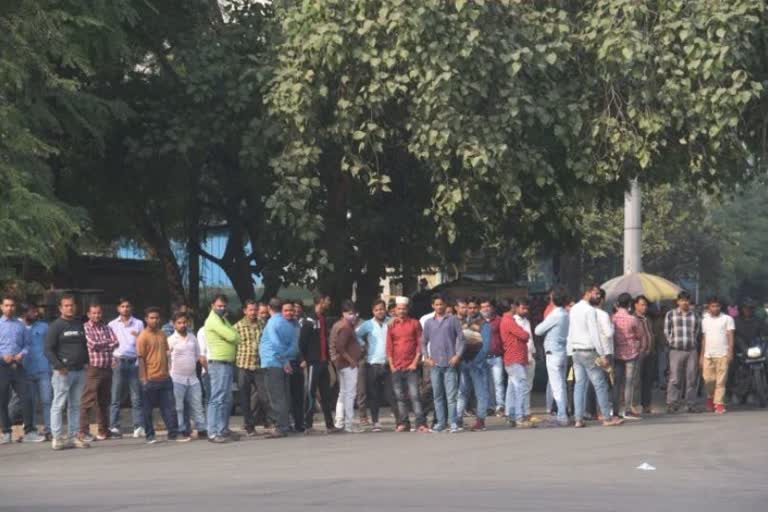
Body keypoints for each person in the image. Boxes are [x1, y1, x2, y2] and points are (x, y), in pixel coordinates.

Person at [567, 285, 623, 428]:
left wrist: (570, 351)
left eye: (598, 294)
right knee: (600, 384)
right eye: (596, 293)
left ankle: (578, 419)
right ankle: (606, 417)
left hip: (576, 351)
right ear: (587, 293)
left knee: (579, 384)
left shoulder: (574, 309)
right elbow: (594, 334)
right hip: (589, 350)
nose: (598, 296)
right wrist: (602, 354)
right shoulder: (590, 310)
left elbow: (571, 332)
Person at [45, 294, 91, 449]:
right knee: (58, 405)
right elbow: (48, 350)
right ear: (60, 308)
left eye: (72, 305)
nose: (70, 308)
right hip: (63, 372)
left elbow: (84, 345)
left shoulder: (79, 324)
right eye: (66, 305)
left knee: (76, 405)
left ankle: (74, 436)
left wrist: (86, 362)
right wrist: (59, 366)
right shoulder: (55, 326)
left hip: (79, 371)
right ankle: (57, 438)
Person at [136, 307, 189, 444]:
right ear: (146, 319)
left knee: (170, 409)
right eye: (152, 318)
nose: (155, 320)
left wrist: (168, 371)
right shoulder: (143, 336)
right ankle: (150, 435)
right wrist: (143, 378)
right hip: (150, 378)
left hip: (165, 377)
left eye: (157, 318)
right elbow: (141, 358)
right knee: (148, 410)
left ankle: (173, 434)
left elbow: (166, 353)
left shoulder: (161, 334)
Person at [423, 294, 464, 433]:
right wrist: (426, 357)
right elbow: (423, 342)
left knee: (451, 396)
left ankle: (453, 423)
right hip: (435, 365)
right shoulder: (429, 322)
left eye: (441, 304)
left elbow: (461, 339)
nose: (439, 307)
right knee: (438, 396)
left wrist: (457, 355)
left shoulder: (452, 320)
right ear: (432, 306)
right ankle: (440, 423)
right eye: (437, 304)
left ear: (446, 305)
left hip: (450, 364)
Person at [387, 297, 428, 433]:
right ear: (395, 310)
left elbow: (420, 344)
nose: (401, 311)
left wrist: (415, 362)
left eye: (404, 308)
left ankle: (420, 423)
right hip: (396, 366)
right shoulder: (391, 325)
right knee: (399, 397)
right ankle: (404, 423)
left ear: (407, 309)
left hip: (411, 366)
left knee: (415, 395)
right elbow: (389, 346)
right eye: (399, 308)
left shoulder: (415, 323)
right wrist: (392, 365)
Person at [203, 294, 241, 443]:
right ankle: (212, 432)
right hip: (218, 363)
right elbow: (233, 337)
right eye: (219, 306)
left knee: (226, 399)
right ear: (212, 305)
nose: (222, 308)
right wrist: (233, 336)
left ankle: (222, 429)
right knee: (217, 398)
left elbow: (235, 336)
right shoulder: (213, 320)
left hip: (226, 362)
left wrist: (234, 336)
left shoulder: (223, 319)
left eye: (224, 306)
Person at [79, 303, 119, 442]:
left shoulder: (107, 327)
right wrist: (107, 344)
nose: (96, 315)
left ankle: (104, 431)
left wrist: (104, 344)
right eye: (94, 313)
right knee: (88, 400)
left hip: (107, 367)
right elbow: (92, 344)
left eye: (99, 313)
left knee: (104, 401)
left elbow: (116, 342)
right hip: (93, 368)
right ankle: (83, 431)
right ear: (89, 314)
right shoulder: (85, 328)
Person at [356, 299, 396, 432]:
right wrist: (363, 345)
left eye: (382, 309)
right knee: (374, 395)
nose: (380, 311)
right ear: (373, 311)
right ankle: (375, 422)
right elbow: (356, 335)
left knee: (391, 393)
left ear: (385, 309)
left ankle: (399, 420)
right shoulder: (367, 324)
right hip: (372, 363)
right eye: (377, 309)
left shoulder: (391, 321)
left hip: (388, 362)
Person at [299, 295, 337, 434]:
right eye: (327, 300)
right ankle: (308, 425)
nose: (329, 303)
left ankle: (330, 425)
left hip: (323, 362)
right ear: (321, 301)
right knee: (310, 393)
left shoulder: (323, 319)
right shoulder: (309, 320)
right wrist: (303, 358)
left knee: (326, 394)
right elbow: (302, 341)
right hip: (313, 363)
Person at [260, 299, 297, 438]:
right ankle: (286, 424)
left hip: (273, 362)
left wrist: (283, 360)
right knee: (284, 396)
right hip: (283, 364)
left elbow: (275, 344)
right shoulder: (289, 324)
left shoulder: (272, 323)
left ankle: (281, 427)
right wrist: (287, 359)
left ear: (269, 308)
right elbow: (294, 347)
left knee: (276, 397)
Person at [107, 298, 145, 439]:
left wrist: (140, 361)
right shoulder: (111, 324)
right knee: (116, 396)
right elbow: (108, 344)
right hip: (118, 361)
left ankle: (138, 426)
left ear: (131, 308)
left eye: (128, 306)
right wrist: (111, 359)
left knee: (136, 396)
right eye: (122, 306)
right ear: (118, 309)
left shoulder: (139, 323)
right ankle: (115, 427)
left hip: (133, 361)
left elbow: (142, 343)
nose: (125, 309)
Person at [457, 298, 494, 431]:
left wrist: (476, 362)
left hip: (477, 365)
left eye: (474, 308)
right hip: (463, 363)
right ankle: (458, 419)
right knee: (462, 392)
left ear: (478, 309)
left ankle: (480, 420)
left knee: (480, 393)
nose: (471, 310)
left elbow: (485, 347)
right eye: (469, 308)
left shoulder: (484, 324)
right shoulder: (462, 323)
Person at [168, 311, 206, 439]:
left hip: (193, 377)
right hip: (177, 378)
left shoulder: (192, 337)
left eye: (184, 322)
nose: (183, 325)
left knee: (197, 403)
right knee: (178, 406)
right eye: (179, 323)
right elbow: (167, 359)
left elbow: (197, 356)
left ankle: (201, 428)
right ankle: (182, 428)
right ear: (174, 324)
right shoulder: (171, 340)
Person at [0, 295, 33, 444]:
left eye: (12, 305)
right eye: (6, 305)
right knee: (2, 400)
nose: (10, 308)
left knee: (26, 397)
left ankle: (29, 431)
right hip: (2, 366)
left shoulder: (21, 325)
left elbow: (27, 344)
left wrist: (22, 354)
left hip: (18, 366)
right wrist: (2, 356)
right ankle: (6, 432)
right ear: (1, 307)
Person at [534, 289, 570, 426]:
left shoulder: (555, 315)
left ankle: (561, 415)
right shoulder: (566, 314)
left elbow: (538, 330)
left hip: (553, 352)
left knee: (557, 386)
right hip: (562, 350)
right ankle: (563, 412)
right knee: (562, 384)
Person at [234, 300, 269, 437]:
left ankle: (269, 421)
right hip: (243, 365)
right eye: (250, 310)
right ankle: (249, 426)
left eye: (255, 310)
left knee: (264, 396)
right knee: (245, 398)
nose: (253, 312)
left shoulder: (262, 324)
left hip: (259, 365)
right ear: (245, 311)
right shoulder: (237, 327)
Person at [664, 291, 702, 413]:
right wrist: (672, 342)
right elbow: (666, 331)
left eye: (687, 300)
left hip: (691, 350)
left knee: (691, 378)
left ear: (689, 301)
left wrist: (692, 342)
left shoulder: (695, 315)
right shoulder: (671, 314)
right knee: (675, 378)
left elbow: (697, 331)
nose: (685, 302)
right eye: (682, 300)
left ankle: (690, 404)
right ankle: (672, 404)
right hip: (676, 350)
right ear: (678, 301)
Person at [500, 298, 534, 428]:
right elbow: (525, 336)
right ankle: (519, 417)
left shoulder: (508, 321)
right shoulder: (508, 321)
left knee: (513, 388)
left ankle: (512, 414)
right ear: (512, 307)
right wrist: (523, 334)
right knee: (521, 386)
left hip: (514, 358)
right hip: (515, 358)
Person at [611, 293, 646, 420]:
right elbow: (640, 335)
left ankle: (615, 410)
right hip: (631, 353)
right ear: (630, 304)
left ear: (618, 304)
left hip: (617, 353)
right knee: (629, 383)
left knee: (617, 383)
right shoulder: (633, 319)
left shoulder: (613, 318)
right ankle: (627, 409)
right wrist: (640, 346)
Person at [331, 300, 362, 433]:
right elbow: (340, 347)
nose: (353, 316)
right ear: (343, 313)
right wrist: (351, 361)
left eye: (354, 313)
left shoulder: (339, 324)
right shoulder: (345, 327)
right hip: (347, 364)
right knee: (350, 394)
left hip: (341, 364)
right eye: (350, 313)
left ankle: (339, 422)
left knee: (343, 394)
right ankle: (349, 424)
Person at [21, 303, 51, 441]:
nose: (35, 314)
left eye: (36, 311)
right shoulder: (17, 327)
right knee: (30, 402)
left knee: (47, 401)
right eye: (32, 311)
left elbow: (51, 346)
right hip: (25, 370)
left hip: (43, 368)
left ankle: (49, 429)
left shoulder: (44, 326)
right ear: (25, 312)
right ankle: (31, 429)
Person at [700, 297, 735, 414]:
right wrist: (701, 355)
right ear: (708, 307)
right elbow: (704, 338)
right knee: (708, 380)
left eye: (717, 306)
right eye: (713, 306)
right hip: (708, 354)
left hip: (723, 354)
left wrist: (730, 352)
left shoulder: (727, 319)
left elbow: (730, 336)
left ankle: (719, 403)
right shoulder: (704, 320)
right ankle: (710, 397)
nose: (715, 308)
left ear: (720, 307)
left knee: (721, 381)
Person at [513, 298, 537, 420]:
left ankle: (526, 411)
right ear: (516, 308)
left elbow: (530, 339)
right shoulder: (514, 322)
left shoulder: (527, 321)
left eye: (527, 308)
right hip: (519, 358)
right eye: (523, 308)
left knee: (528, 386)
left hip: (530, 356)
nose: (525, 310)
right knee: (518, 386)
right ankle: (519, 412)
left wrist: (533, 353)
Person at [634, 296, 656, 414]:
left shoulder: (648, 319)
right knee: (637, 381)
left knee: (648, 380)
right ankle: (635, 405)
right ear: (635, 305)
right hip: (638, 353)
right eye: (642, 305)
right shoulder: (633, 318)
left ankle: (646, 404)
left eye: (646, 305)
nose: (644, 307)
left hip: (650, 352)